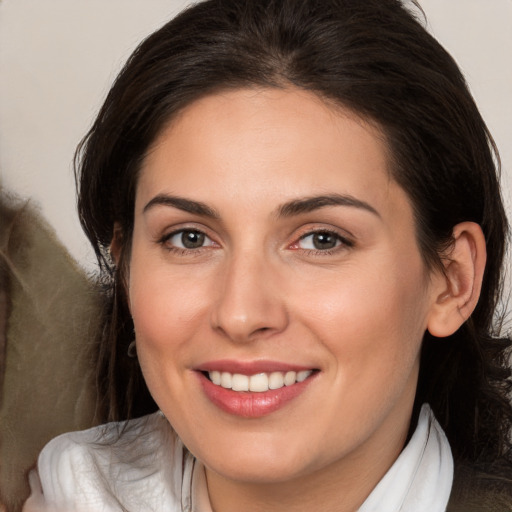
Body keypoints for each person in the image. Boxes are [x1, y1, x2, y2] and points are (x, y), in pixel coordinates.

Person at [23, 0, 512, 510]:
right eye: (189, 238)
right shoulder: (63, 493)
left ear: (452, 281)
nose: (241, 314)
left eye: (323, 239)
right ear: (125, 266)